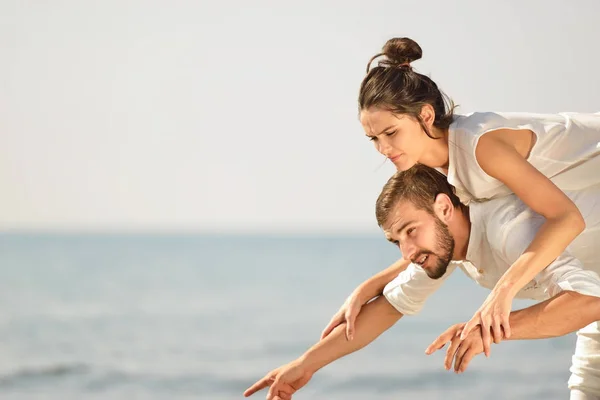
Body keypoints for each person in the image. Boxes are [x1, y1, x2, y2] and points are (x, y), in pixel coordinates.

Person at [244, 165, 600, 400]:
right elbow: (385, 310)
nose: (408, 251)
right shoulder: (445, 249)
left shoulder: (507, 228)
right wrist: (304, 366)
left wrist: (489, 328)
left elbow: (588, 301)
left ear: (445, 208)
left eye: (411, 231)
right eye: (397, 240)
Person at [346, 36, 600, 351]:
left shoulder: (481, 148)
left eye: (391, 133)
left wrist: (503, 291)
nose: (383, 149)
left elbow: (565, 219)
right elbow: (441, 238)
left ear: (425, 116)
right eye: (373, 138)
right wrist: (374, 284)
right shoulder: (440, 171)